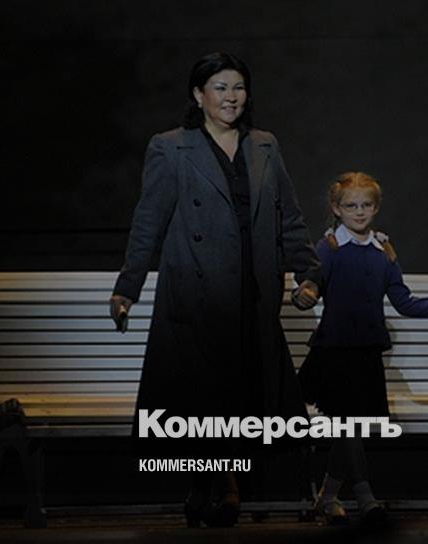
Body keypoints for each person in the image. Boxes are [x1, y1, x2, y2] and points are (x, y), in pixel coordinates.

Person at [109, 52, 321, 528]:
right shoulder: (171, 147)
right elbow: (149, 221)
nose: (231, 97)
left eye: (238, 87)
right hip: (197, 290)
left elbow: (288, 216)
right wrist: (128, 286)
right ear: (198, 95)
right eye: (220, 88)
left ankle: (211, 483)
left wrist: (309, 271)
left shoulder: (264, 145)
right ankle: (219, 483)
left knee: (239, 395)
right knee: (206, 396)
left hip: (252, 289)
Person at [296, 172, 428, 525]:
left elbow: (404, 302)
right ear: (337, 208)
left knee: (351, 427)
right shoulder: (330, 247)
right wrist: (303, 294)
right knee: (349, 424)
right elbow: (310, 284)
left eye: (366, 205)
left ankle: (328, 497)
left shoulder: (384, 253)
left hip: (365, 353)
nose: (359, 212)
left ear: (376, 207)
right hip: (334, 353)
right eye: (351, 206)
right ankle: (365, 497)